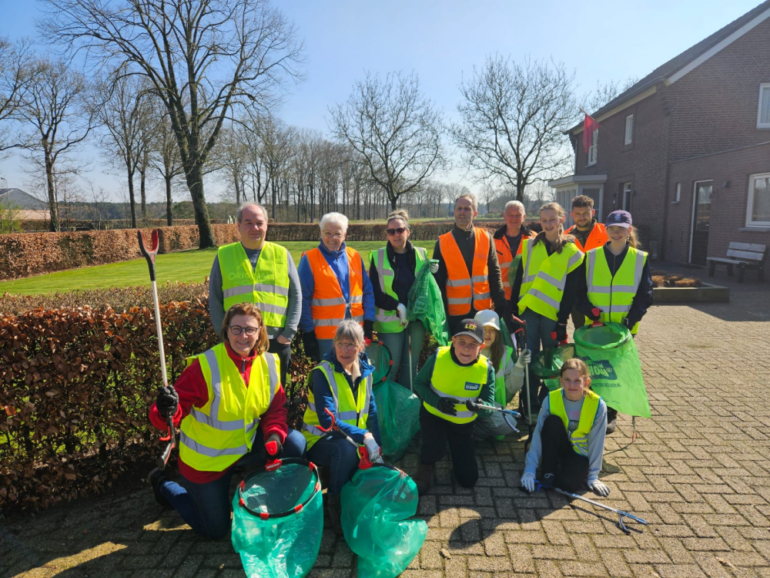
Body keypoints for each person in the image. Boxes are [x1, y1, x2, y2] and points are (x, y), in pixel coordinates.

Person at [146, 303, 307, 540]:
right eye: (237, 329)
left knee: (294, 442)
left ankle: (274, 502)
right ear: (226, 331)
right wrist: (163, 410)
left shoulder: (269, 364)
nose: (244, 336)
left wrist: (273, 435)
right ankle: (163, 485)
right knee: (215, 531)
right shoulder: (205, 366)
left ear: (260, 330)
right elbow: (168, 418)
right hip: (207, 463)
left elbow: (276, 408)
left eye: (250, 329)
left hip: (244, 448)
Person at [575, 209, 653, 434]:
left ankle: (610, 414)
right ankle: (594, 409)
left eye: (621, 229)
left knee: (615, 373)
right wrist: (589, 310)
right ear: (605, 230)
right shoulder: (590, 256)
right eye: (612, 229)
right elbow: (579, 292)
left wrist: (630, 319)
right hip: (596, 328)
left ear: (629, 231)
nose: (616, 233)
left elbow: (645, 294)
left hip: (624, 328)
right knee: (595, 370)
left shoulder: (640, 258)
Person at [301, 320, 381, 535]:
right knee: (344, 451)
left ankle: (346, 488)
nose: (344, 350)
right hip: (319, 440)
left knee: (363, 465)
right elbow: (328, 422)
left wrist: (378, 445)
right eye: (339, 343)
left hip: (350, 438)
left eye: (351, 344)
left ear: (361, 347)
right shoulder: (322, 374)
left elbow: (371, 410)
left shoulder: (365, 371)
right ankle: (334, 501)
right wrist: (365, 435)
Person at [208, 202, 301, 388]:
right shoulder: (224, 255)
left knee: (275, 397)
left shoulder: (281, 254)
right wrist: (224, 334)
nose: (255, 228)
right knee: (239, 392)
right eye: (248, 223)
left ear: (267, 224)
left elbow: (296, 295)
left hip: (276, 340)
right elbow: (215, 298)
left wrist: (288, 333)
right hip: (238, 340)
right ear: (238, 225)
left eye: (259, 223)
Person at [509, 202, 584, 421]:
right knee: (529, 360)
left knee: (552, 364)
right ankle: (529, 407)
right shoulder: (530, 246)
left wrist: (562, 323)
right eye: (544, 220)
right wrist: (513, 309)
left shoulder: (572, 252)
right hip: (529, 311)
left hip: (553, 315)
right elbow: (519, 279)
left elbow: (570, 292)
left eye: (552, 219)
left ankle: (549, 404)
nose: (548, 224)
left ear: (562, 219)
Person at [412, 318, 496, 495]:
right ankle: (426, 464)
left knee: (468, 480)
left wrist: (481, 407)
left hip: (463, 424)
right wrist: (437, 402)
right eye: (462, 342)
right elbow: (419, 384)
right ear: (453, 341)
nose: (466, 348)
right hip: (434, 416)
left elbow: (489, 409)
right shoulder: (437, 357)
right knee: (434, 448)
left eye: (473, 344)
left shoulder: (486, 368)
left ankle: (451, 451)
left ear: (481, 347)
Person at [520, 358, 610, 497]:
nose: (572, 385)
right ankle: (548, 470)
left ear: (586, 382)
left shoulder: (598, 405)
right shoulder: (551, 399)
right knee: (552, 422)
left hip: (579, 452)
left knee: (568, 485)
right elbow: (538, 434)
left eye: (577, 380)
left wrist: (593, 476)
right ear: (561, 380)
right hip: (556, 447)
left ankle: (566, 468)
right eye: (567, 379)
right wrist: (530, 469)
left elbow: (596, 442)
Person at [369, 209, 436, 387]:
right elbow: (374, 292)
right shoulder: (378, 256)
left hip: (416, 319)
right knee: (391, 366)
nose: (396, 234)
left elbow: (427, 288)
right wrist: (397, 306)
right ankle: (386, 408)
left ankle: (407, 405)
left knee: (410, 365)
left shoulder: (421, 254)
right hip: (390, 320)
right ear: (387, 234)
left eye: (400, 230)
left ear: (408, 231)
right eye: (391, 231)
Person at [298, 212, 376, 362]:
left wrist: (369, 321)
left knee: (356, 376)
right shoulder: (309, 259)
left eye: (337, 234)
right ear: (320, 233)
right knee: (330, 380)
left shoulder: (355, 256)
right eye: (328, 233)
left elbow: (367, 291)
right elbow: (303, 299)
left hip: (356, 332)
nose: (332, 238)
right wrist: (308, 333)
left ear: (344, 234)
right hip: (327, 336)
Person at [433, 193, 507, 335]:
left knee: (483, 353)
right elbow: (438, 282)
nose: (462, 212)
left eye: (467, 209)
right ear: (454, 212)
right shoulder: (443, 242)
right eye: (459, 208)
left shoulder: (486, 238)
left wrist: (500, 304)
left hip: (482, 312)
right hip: (455, 314)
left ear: (475, 213)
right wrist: (442, 312)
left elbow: (494, 273)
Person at [472, 310, 531, 440]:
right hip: (464, 402)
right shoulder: (467, 348)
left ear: (498, 333)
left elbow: (510, 388)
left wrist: (519, 366)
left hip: (488, 406)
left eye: (492, 330)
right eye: (484, 328)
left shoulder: (504, 353)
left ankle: (475, 431)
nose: (487, 333)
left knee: (509, 424)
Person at [565, 195, 608, 332]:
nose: (581, 217)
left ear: (593, 212)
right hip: (576, 294)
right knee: (581, 331)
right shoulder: (566, 237)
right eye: (578, 214)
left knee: (601, 331)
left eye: (585, 213)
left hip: (600, 291)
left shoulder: (606, 233)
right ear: (572, 214)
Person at [493, 201, 535, 301]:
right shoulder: (493, 241)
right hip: (502, 298)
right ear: (504, 216)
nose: (514, 218)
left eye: (518, 215)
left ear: (524, 217)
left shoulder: (535, 239)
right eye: (510, 215)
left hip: (527, 297)